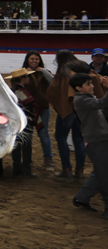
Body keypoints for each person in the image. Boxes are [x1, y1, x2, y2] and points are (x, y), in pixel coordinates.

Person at [47, 50, 105, 179]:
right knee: (79, 139)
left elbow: (53, 90)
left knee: (61, 136)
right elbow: (96, 78)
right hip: (83, 107)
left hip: (68, 109)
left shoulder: (64, 71)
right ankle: (80, 171)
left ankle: (66, 169)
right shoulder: (83, 66)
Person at [0, 68, 39, 180]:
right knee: (25, 146)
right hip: (23, 123)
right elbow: (32, 107)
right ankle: (24, 170)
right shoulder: (23, 93)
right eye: (27, 77)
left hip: (9, 123)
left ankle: (1, 170)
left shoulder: (10, 92)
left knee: (9, 145)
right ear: (24, 79)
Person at [71, 73, 108, 220]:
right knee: (104, 174)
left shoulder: (86, 98)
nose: (92, 86)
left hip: (100, 139)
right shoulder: (80, 100)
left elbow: (102, 109)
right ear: (78, 88)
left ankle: (82, 197)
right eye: (88, 84)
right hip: (96, 141)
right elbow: (102, 104)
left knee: (101, 171)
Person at [22, 51, 55, 170]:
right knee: (28, 135)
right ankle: (27, 159)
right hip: (27, 109)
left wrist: (43, 71)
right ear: (28, 60)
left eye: (36, 59)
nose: (34, 61)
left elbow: (53, 81)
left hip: (42, 108)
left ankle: (48, 158)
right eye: (32, 59)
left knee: (43, 134)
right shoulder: (22, 73)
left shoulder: (44, 73)